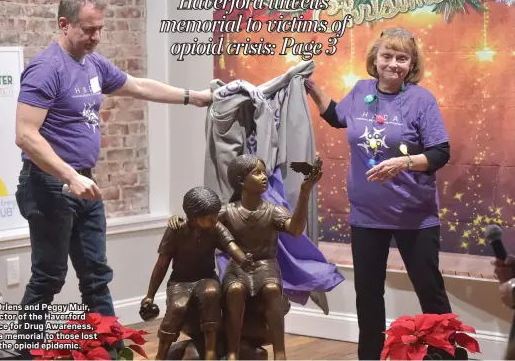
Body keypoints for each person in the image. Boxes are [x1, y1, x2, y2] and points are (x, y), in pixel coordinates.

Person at [13, 0, 211, 355]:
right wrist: (69, 176)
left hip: (84, 183)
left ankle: (113, 352)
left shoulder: (93, 63)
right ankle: (23, 353)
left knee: (95, 275)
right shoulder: (47, 68)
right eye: (88, 30)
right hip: (48, 185)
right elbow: (25, 135)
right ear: (64, 24)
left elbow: (137, 86)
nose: (96, 36)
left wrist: (191, 96)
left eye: (100, 29)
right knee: (49, 277)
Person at [305, 27, 453, 360]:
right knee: (368, 295)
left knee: (430, 292)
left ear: (411, 63)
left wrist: (404, 162)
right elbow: (337, 118)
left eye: (402, 58)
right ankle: (369, 356)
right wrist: (312, 90)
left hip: (414, 216)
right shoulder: (359, 90)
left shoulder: (421, 100)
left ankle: (450, 356)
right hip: (366, 216)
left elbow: (441, 153)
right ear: (375, 58)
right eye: (387, 56)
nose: (394, 64)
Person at [170, 154, 323, 360]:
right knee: (234, 290)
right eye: (257, 173)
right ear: (241, 181)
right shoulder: (227, 211)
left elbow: (295, 229)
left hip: (266, 265)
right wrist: (179, 218)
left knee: (271, 289)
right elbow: (200, 219)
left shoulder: (273, 211)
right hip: (238, 266)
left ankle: (280, 352)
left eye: (264, 172)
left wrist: (305, 192)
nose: (264, 177)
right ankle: (233, 351)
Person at [139, 187, 254, 360]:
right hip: (180, 281)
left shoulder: (215, 228)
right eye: (209, 218)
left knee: (211, 293)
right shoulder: (176, 231)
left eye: (215, 215)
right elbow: (162, 264)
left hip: (206, 276)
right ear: (193, 217)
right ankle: (161, 354)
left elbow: (231, 246)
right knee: (177, 307)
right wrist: (150, 295)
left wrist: (243, 260)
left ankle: (210, 351)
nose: (214, 220)